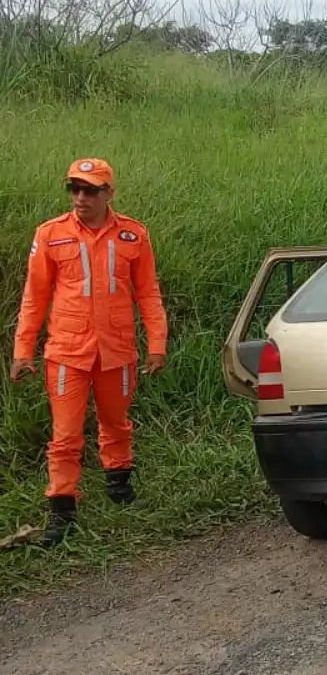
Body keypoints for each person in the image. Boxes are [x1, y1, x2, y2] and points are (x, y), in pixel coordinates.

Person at [8, 158, 169, 546]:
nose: (81, 197)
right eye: (74, 189)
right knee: (65, 436)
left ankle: (119, 481)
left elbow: (148, 293)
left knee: (116, 422)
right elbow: (35, 296)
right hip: (67, 352)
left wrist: (157, 343)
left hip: (117, 350)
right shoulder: (51, 234)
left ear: (108, 193)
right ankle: (62, 508)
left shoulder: (132, 235)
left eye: (90, 190)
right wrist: (22, 349)